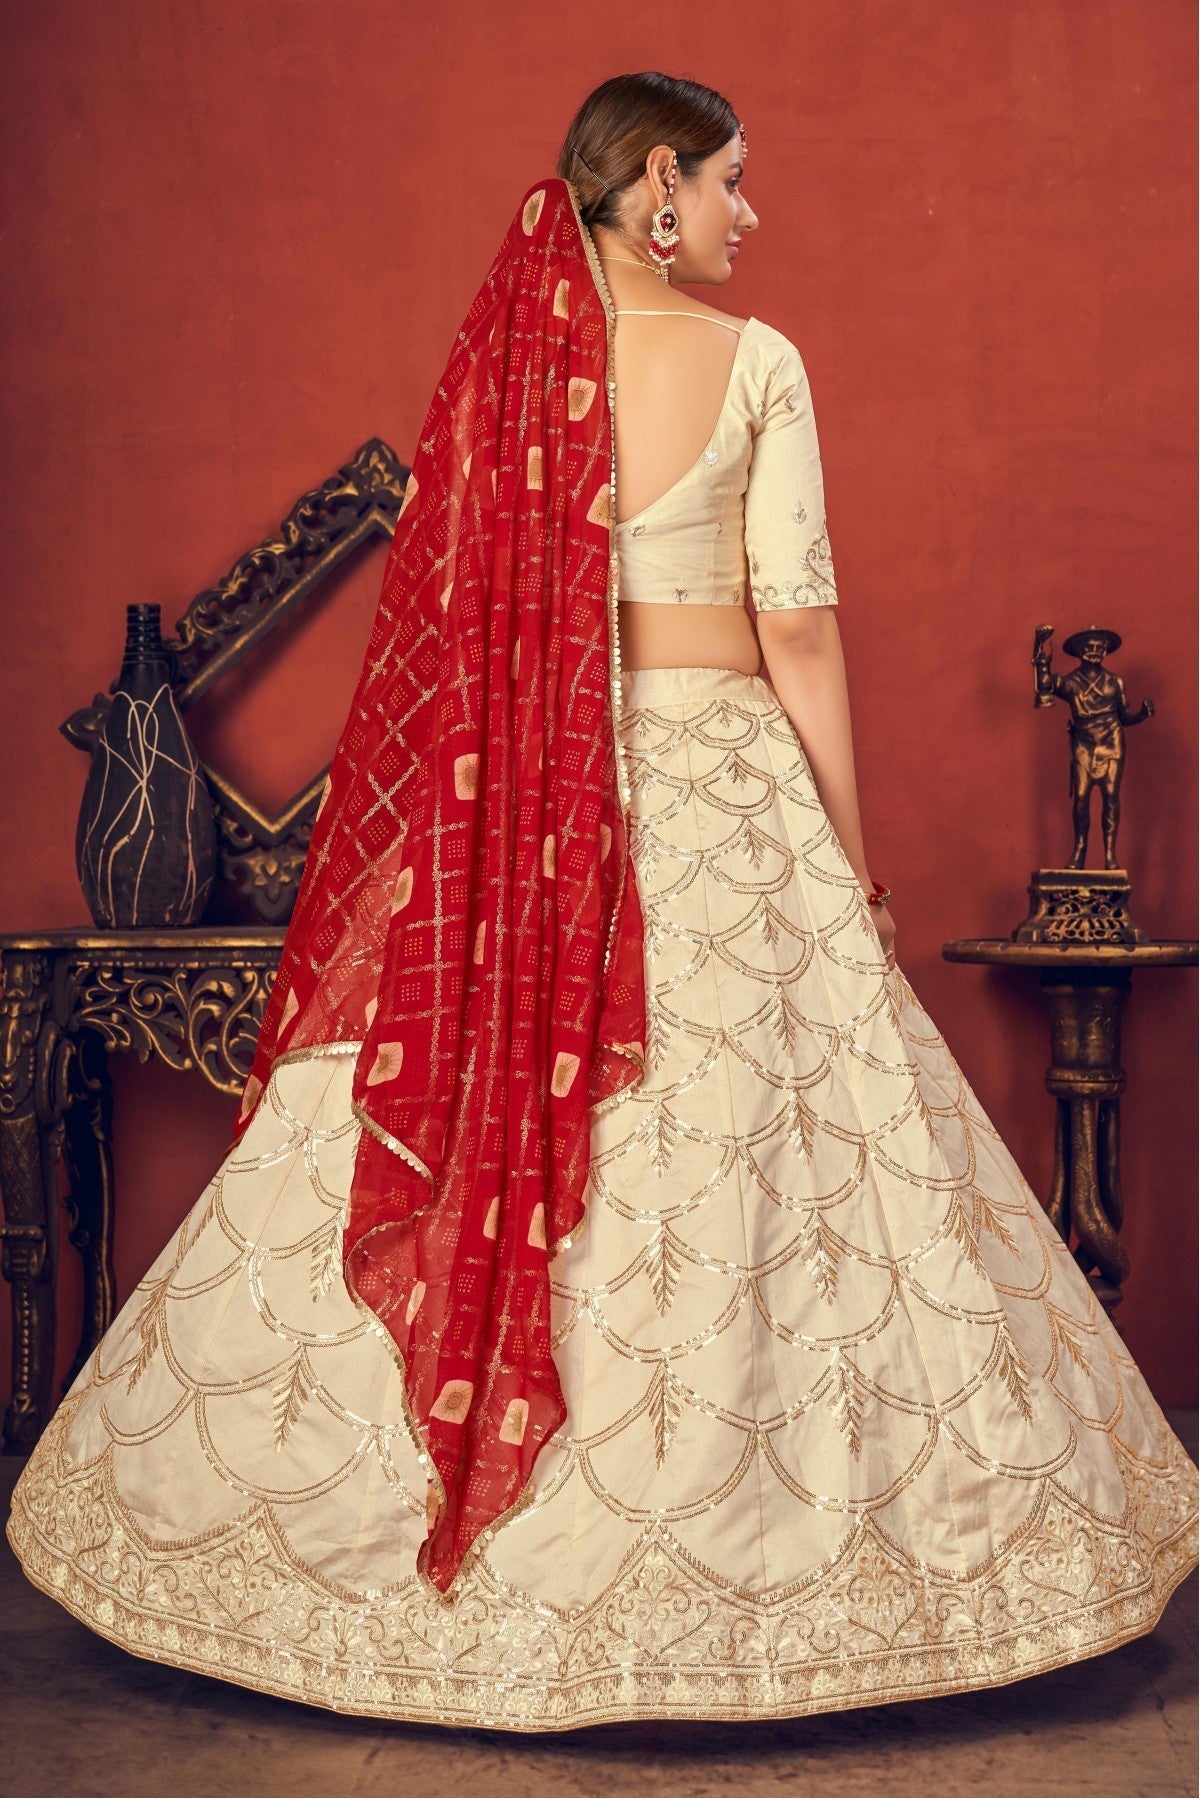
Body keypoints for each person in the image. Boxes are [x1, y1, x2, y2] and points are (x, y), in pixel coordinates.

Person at [7, 71, 1197, 1732]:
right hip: (721, 782)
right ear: (656, 182)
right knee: (773, 1153)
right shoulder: (756, 362)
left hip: (527, 805)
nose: (746, 215)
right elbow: (795, 627)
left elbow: (456, 634)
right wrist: (848, 856)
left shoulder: (508, 377)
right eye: (730, 182)